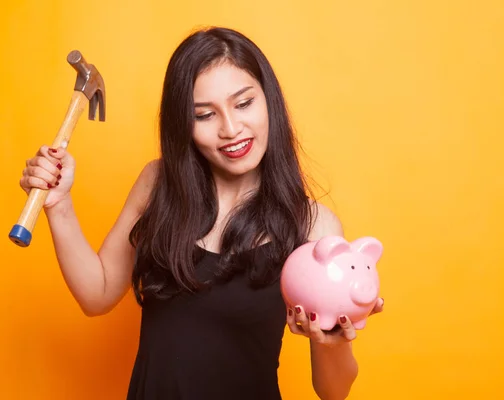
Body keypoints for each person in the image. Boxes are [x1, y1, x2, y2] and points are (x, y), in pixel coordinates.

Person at [19, 26, 384, 400]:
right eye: (205, 115)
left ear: (268, 100)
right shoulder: (158, 183)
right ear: (183, 126)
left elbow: (333, 391)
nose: (231, 129)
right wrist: (59, 205)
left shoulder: (314, 225)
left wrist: (333, 341)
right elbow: (96, 295)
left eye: (244, 104)